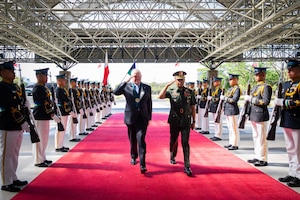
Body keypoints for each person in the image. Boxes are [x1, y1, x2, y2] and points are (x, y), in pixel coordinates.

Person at [113, 69, 152, 174]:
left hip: (142, 118)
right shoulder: (126, 87)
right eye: (134, 76)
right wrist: (126, 80)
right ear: (131, 77)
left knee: (141, 139)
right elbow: (115, 92)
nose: (137, 78)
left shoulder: (147, 88)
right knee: (133, 139)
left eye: (138, 75)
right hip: (131, 117)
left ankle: (143, 164)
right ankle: (133, 156)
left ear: (141, 76)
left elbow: (149, 103)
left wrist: (149, 117)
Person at [158, 71, 196, 177]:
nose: (180, 82)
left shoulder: (190, 91)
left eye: (182, 80)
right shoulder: (171, 91)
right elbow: (160, 96)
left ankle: (187, 166)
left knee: (185, 143)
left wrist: (194, 121)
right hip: (174, 120)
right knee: (173, 140)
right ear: (175, 80)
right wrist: (166, 86)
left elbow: (193, 107)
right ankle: (172, 155)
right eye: (178, 80)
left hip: (186, 121)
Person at [0, 61, 29, 192]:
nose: (13, 73)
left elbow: (19, 104)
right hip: (7, 124)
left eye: (13, 71)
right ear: (2, 73)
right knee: (7, 154)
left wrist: (25, 103)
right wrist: (22, 120)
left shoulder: (15, 87)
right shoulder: (2, 87)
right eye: (10, 71)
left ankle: (13, 177)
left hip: (17, 124)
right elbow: (9, 106)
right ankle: (6, 182)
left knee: (15, 153)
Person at [275, 59, 300, 187]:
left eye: (292, 69)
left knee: (298, 149)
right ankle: (292, 172)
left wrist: (284, 103)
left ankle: (299, 175)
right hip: (287, 119)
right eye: (288, 70)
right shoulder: (285, 85)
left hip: (297, 119)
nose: (289, 72)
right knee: (290, 148)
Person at [245, 67, 272, 167]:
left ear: (263, 75)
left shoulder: (266, 87)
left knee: (261, 137)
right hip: (254, 114)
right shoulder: (255, 87)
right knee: (255, 137)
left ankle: (263, 158)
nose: (256, 76)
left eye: (258, 74)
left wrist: (251, 100)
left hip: (261, 114)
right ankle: (257, 155)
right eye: (255, 74)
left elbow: (265, 101)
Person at [32, 68, 57, 167]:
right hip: (39, 115)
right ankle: (38, 160)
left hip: (44, 115)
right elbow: (44, 102)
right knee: (40, 139)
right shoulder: (38, 88)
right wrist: (52, 114)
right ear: (38, 76)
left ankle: (42, 157)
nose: (46, 78)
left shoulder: (44, 88)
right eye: (44, 76)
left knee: (44, 138)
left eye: (46, 76)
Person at [220, 74, 241, 150]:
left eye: (231, 80)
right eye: (229, 80)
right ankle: (231, 142)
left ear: (235, 80)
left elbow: (234, 100)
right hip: (228, 110)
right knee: (230, 128)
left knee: (234, 128)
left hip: (233, 110)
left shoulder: (237, 89)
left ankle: (235, 144)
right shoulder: (230, 89)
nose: (230, 81)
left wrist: (225, 98)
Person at [54, 74, 71, 152]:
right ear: (59, 81)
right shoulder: (58, 90)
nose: (64, 81)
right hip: (61, 112)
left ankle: (61, 144)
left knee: (63, 129)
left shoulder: (63, 89)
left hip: (65, 111)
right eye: (63, 80)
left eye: (65, 80)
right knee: (60, 129)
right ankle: (58, 146)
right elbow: (59, 102)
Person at [67, 77, 81, 142]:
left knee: (75, 123)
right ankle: (71, 137)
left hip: (76, 108)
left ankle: (74, 135)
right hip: (72, 109)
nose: (75, 83)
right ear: (71, 83)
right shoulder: (70, 91)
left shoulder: (76, 90)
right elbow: (69, 101)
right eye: (74, 82)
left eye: (75, 82)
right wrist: (71, 110)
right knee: (72, 123)